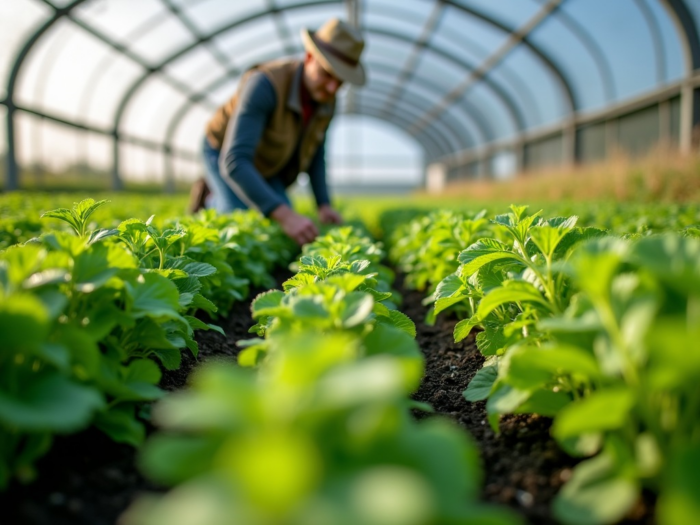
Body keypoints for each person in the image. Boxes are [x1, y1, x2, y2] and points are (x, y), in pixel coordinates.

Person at [199, 18, 366, 245]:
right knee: (237, 220)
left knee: (281, 223)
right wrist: (285, 216)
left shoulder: (327, 101)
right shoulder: (265, 84)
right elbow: (235, 161)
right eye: (327, 74)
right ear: (309, 57)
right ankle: (212, 200)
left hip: (268, 164)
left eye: (340, 81)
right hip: (224, 153)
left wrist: (323, 205)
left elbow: (316, 153)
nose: (332, 88)